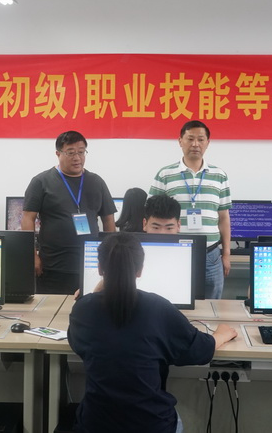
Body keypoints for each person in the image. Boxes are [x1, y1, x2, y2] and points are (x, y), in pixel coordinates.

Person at [68, 232, 237, 433]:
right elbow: (199, 351)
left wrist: (99, 288)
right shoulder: (158, 308)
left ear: (100, 268)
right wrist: (221, 334)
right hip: (150, 425)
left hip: (96, 425)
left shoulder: (83, 309)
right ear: (140, 270)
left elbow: (77, 342)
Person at [22, 131, 116, 294]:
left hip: (90, 265)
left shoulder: (97, 182)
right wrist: (32, 256)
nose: (77, 158)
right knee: (52, 308)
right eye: (70, 153)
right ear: (58, 154)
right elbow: (27, 219)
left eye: (81, 152)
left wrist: (110, 256)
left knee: (88, 306)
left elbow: (108, 220)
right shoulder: (41, 182)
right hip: (53, 266)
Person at [149, 120, 231, 299]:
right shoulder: (165, 174)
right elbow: (151, 215)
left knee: (211, 304)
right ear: (180, 141)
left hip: (211, 254)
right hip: (175, 251)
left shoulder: (219, 175)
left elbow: (224, 217)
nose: (195, 144)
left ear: (208, 143)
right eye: (190, 139)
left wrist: (226, 254)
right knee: (172, 300)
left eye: (201, 139)